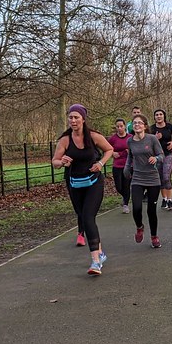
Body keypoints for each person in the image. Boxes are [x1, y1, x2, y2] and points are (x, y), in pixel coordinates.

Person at [51, 104, 114, 276]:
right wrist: (62, 162)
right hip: (75, 184)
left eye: (76, 117)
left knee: (88, 217)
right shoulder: (65, 140)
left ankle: (95, 261)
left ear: (83, 119)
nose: (73, 120)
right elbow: (54, 162)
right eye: (70, 117)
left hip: (94, 183)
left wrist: (100, 163)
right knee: (83, 216)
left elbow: (109, 149)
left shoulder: (93, 136)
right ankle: (100, 253)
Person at [124, 115, 165, 248]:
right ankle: (139, 227)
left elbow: (162, 155)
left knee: (151, 210)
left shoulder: (152, 139)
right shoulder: (130, 141)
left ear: (145, 126)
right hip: (137, 178)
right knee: (136, 208)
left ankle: (154, 236)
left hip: (152, 178)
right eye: (134, 123)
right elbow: (130, 157)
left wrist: (156, 158)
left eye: (140, 123)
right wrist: (126, 168)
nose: (137, 125)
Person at [148, 108, 172, 210]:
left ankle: (170, 200)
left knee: (166, 176)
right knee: (160, 177)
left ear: (164, 116)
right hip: (157, 156)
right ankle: (164, 199)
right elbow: (148, 142)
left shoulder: (170, 127)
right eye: (157, 115)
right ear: (154, 117)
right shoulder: (151, 129)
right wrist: (155, 138)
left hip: (168, 154)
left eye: (160, 114)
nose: (159, 116)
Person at [107, 118, 131, 213]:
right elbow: (106, 149)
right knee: (119, 187)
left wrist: (130, 151)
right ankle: (125, 196)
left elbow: (136, 147)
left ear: (125, 126)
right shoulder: (113, 139)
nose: (119, 128)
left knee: (126, 185)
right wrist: (112, 153)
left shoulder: (130, 137)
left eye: (121, 126)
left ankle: (125, 205)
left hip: (128, 165)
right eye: (117, 126)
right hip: (117, 165)